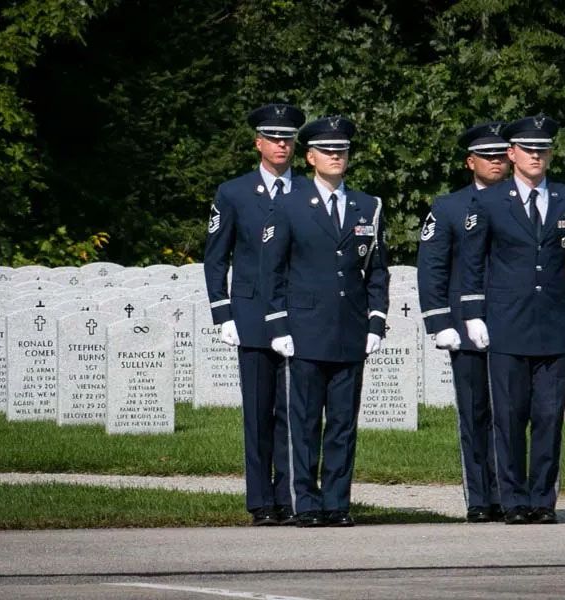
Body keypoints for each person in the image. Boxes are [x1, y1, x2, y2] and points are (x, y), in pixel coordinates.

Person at [460, 114, 565, 525]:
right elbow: (473, 263)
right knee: (509, 416)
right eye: (529, 149)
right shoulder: (488, 201)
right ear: (512, 154)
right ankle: (514, 500)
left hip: (554, 323)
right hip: (507, 323)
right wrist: (473, 313)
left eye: (544, 149)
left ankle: (542, 499)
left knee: (550, 417)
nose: (537, 156)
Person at [260, 115, 390, 527]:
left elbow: (377, 270)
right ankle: (306, 503)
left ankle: (336, 502)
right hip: (304, 330)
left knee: (341, 424)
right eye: (328, 151)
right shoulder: (289, 204)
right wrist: (278, 326)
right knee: (303, 421)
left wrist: (376, 320)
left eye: (342, 151)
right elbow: (271, 270)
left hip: (349, 329)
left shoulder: (367, 205)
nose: (336, 157)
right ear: (311, 157)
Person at [203, 102, 307, 526]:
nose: (282, 145)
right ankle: (261, 499)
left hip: (297, 315)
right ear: (258, 143)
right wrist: (222, 313)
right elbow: (216, 257)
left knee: (293, 411)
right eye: (274, 138)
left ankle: (290, 495)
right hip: (249, 313)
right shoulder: (234, 192)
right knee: (259, 410)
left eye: (288, 139)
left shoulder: (307, 190)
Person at [416, 122, 510, 523]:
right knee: (475, 413)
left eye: (501, 155)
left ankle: (511, 493)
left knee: (513, 414)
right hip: (465, 328)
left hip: (513, 325)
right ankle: (479, 496)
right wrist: (440, 322)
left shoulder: (523, 203)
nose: (495, 162)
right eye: (486, 156)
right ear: (470, 161)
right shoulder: (449, 207)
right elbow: (432, 267)